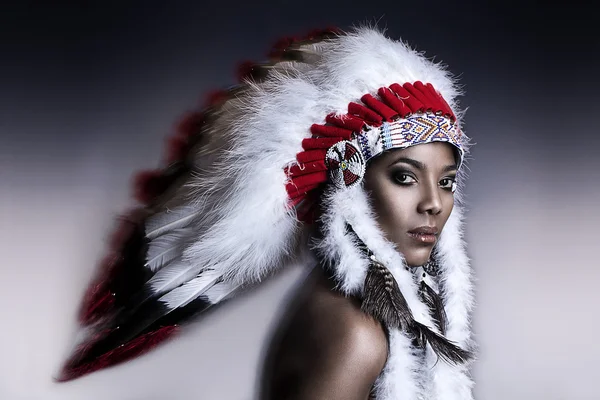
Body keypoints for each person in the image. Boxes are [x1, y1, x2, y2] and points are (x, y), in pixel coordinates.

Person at [58, 25, 477, 400]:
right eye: (405, 177)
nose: (434, 203)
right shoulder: (355, 332)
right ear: (352, 182)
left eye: (446, 181)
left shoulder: (353, 309)